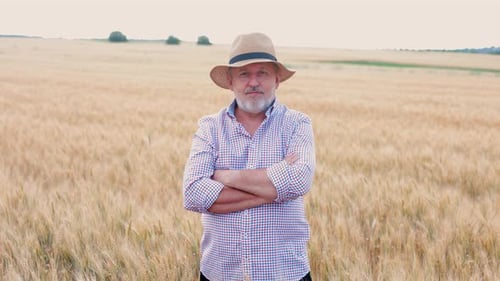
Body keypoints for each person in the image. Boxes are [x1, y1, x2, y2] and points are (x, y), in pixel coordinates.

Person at [183, 32, 316, 281]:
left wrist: (226, 177)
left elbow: (299, 182)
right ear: (231, 81)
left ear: (277, 79)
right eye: (244, 74)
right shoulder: (210, 127)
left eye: (262, 73)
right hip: (221, 273)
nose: (253, 82)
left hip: (285, 273)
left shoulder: (297, 123)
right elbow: (192, 195)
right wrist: (274, 191)